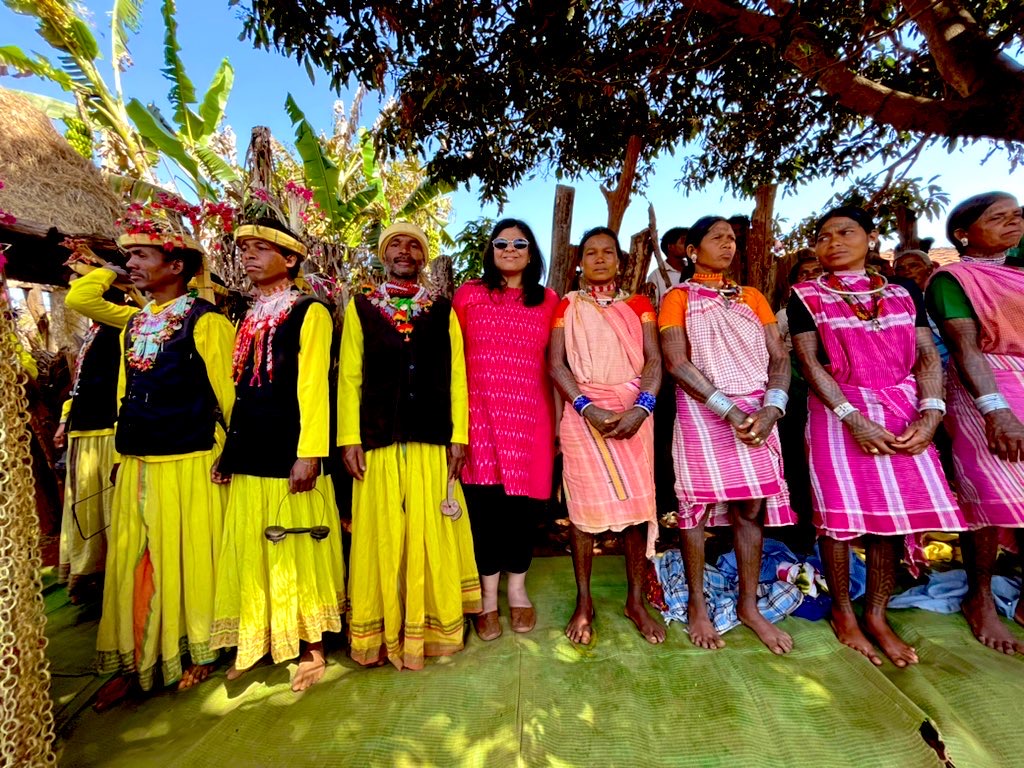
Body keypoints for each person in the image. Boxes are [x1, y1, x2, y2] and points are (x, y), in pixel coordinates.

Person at [66, 210, 236, 707]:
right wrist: (120, 449)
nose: (131, 264)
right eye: (128, 257)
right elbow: (126, 387)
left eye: (141, 255)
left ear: (177, 264)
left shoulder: (208, 321)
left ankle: (199, 649)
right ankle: (134, 656)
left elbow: (228, 398)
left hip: (193, 454)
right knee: (132, 561)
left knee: (190, 558)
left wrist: (234, 454)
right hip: (138, 457)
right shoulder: (135, 321)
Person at [789, 205, 965, 667]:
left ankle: (878, 614)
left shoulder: (904, 291)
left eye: (845, 232)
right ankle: (845, 614)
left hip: (904, 408)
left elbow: (927, 356)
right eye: (824, 236)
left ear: (870, 238)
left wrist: (930, 414)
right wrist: (853, 417)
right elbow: (809, 363)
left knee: (893, 519)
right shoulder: (806, 294)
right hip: (838, 410)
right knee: (841, 519)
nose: (833, 242)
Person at [210, 216, 345, 692]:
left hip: (293, 451)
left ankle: (312, 648)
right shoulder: (248, 315)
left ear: (289, 258)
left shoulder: (311, 311)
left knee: (298, 545)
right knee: (257, 547)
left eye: (259, 248)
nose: (247, 254)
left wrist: (310, 453)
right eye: (244, 247)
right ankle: (264, 638)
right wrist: (230, 451)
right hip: (252, 447)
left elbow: (314, 388)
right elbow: (241, 390)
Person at [339, 222, 482, 670]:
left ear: (423, 257)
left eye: (413, 245)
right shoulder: (360, 308)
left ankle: (434, 627)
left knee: (429, 530)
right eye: (395, 245)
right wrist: (348, 439)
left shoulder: (442, 310)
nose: (404, 251)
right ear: (384, 255)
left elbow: (457, 374)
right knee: (381, 533)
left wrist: (459, 436)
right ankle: (379, 631)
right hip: (378, 440)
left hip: (429, 439)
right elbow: (349, 377)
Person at [659, 216, 795, 654]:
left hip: (758, 411)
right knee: (695, 510)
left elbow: (779, 357)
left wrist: (773, 408)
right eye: (717, 237)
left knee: (751, 509)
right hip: (704, 411)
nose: (728, 244)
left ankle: (749, 606)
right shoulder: (676, 298)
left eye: (732, 238)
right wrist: (728, 409)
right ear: (693, 250)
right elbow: (678, 363)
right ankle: (698, 604)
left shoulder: (754, 297)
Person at [549, 226, 664, 646]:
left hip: (636, 412)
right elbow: (557, 366)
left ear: (620, 260)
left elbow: (654, 361)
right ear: (580, 261)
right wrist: (586, 407)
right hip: (583, 417)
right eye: (591, 252)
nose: (599, 258)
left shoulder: (639, 305)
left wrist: (642, 407)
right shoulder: (567, 306)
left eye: (607, 252)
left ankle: (636, 601)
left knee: (636, 510)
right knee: (582, 514)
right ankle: (584, 602)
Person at [926, 192, 1024, 654]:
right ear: (963, 234)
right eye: (997, 217)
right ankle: (980, 597)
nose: (1012, 222)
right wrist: (995, 408)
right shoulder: (952, 278)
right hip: (983, 383)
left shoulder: (1017, 270)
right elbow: (964, 347)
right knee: (989, 492)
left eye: (1017, 215)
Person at [453, 219, 559, 641]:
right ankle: (488, 597)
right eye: (501, 243)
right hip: (478, 417)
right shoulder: (468, 295)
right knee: (484, 510)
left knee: (524, 512)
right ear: (490, 251)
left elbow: (557, 363)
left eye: (520, 243)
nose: (510, 249)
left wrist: (559, 425)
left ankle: (518, 589)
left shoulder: (548, 300)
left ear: (531, 253)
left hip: (532, 420)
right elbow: (452, 359)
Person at [54, 305, 122, 605]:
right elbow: (78, 385)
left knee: (108, 506)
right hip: (83, 430)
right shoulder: (94, 333)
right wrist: (63, 422)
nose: (73, 295)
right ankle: (90, 574)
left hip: (109, 432)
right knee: (84, 506)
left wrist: (100, 269)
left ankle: (111, 574)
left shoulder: (121, 327)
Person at [894, 249, 948, 368]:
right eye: (900, 269)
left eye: (914, 265)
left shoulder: (943, 297)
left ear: (930, 268)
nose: (907, 271)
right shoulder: (899, 308)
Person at [775, 252, 822, 354]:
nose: (811, 276)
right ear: (794, 283)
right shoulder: (784, 315)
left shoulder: (841, 309)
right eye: (803, 273)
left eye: (817, 271)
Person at [647, 227, 688, 305]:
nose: (688, 245)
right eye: (683, 242)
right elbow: (653, 305)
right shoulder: (655, 276)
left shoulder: (695, 269)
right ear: (670, 247)